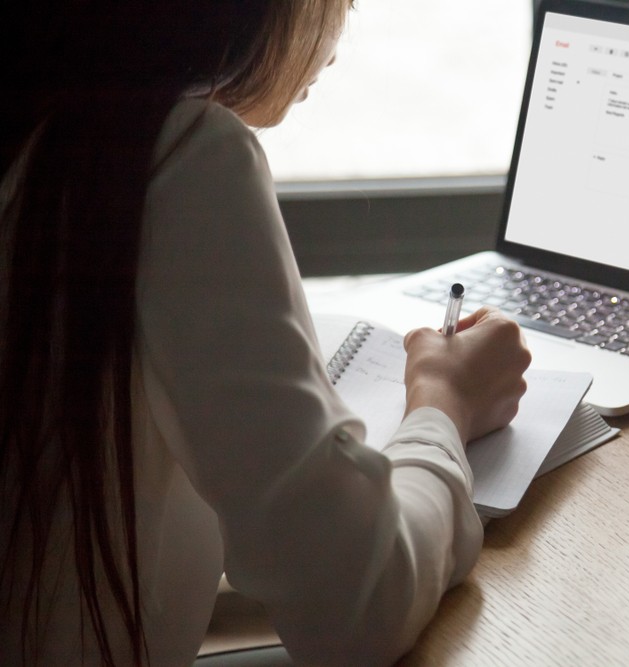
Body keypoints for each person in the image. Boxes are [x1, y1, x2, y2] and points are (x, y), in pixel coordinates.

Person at [0, 1, 531, 665]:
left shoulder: (46, 135)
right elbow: (360, 605)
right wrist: (443, 402)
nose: (335, 43)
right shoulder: (174, 162)